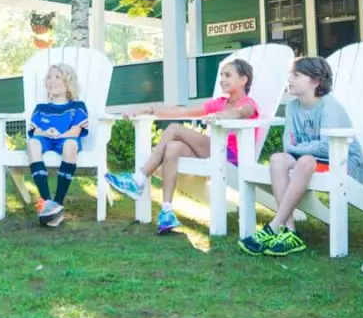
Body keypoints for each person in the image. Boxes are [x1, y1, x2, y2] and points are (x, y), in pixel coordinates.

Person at [102, 59, 259, 235]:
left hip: (230, 156)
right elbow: (181, 111)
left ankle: (139, 178)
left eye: (228, 75)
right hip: (213, 149)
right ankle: (167, 210)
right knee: (173, 148)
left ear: (243, 80)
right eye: (221, 75)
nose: (222, 79)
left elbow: (243, 112)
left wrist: (223, 115)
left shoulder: (248, 103)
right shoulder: (218, 102)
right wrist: (147, 109)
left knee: (174, 129)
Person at [244, 57, 363, 256]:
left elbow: (326, 147)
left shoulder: (329, 105)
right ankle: (290, 231)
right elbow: (287, 146)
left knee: (304, 160)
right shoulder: (293, 107)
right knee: (277, 159)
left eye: (296, 75)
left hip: (344, 163)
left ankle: (275, 225)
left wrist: (300, 148)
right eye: (290, 75)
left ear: (315, 81)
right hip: (314, 160)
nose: (290, 79)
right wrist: (305, 148)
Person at [25, 64, 89, 228]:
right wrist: (47, 133)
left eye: (57, 77)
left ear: (68, 83)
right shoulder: (41, 108)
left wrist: (60, 134)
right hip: (46, 139)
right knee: (32, 143)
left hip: (65, 139)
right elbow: (35, 131)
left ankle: (57, 203)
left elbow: (75, 131)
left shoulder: (77, 107)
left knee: (69, 146)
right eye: (49, 77)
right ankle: (47, 202)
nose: (51, 81)